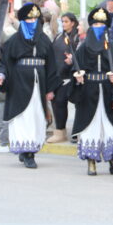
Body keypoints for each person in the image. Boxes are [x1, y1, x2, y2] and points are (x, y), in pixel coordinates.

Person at [0, 2, 60, 169]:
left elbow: (52, 65)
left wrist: (51, 89)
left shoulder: (44, 40)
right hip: (18, 85)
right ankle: (25, 151)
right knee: (22, 118)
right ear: (23, 22)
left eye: (35, 20)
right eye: (28, 20)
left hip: (40, 86)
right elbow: (4, 63)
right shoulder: (13, 41)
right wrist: (1, 76)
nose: (32, 23)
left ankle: (31, 152)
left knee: (36, 116)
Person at [69, 7, 113, 175]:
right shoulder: (83, 49)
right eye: (95, 24)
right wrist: (77, 78)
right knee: (90, 127)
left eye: (102, 24)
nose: (99, 27)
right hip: (88, 93)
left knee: (111, 127)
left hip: (108, 92)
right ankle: (91, 161)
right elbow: (75, 70)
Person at [48, 12, 79, 144]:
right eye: (62, 21)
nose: (64, 24)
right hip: (59, 75)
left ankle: (78, 131)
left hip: (73, 76)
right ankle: (60, 131)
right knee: (58, 102)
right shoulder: (59, 36)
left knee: (79, 103)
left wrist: (73, 61)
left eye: (66, 21)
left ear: (72, 22)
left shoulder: (77, 37)